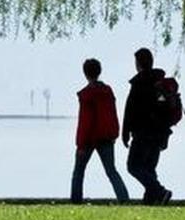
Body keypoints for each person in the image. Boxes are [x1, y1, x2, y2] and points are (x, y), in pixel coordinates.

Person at [71, 58, 130, 204]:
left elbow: (85, 121)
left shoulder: (86, 95)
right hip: (106, 136)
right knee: (111, 171)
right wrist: (114, 133)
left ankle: (76, 200)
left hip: (89, 139)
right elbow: (113, 113)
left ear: (85, 73)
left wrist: (80, 144)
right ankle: (124, 199)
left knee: (79, 171)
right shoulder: (107, 91)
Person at [122, 47, 172, 205]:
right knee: (149, 168)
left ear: (138, 63)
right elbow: (163, 107)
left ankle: (160, 191)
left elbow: (129, 110)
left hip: (142, 133)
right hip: (158, 133)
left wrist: (125, 132)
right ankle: (151, 202)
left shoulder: (139, 84)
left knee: (133, 166)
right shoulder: (159, 84)